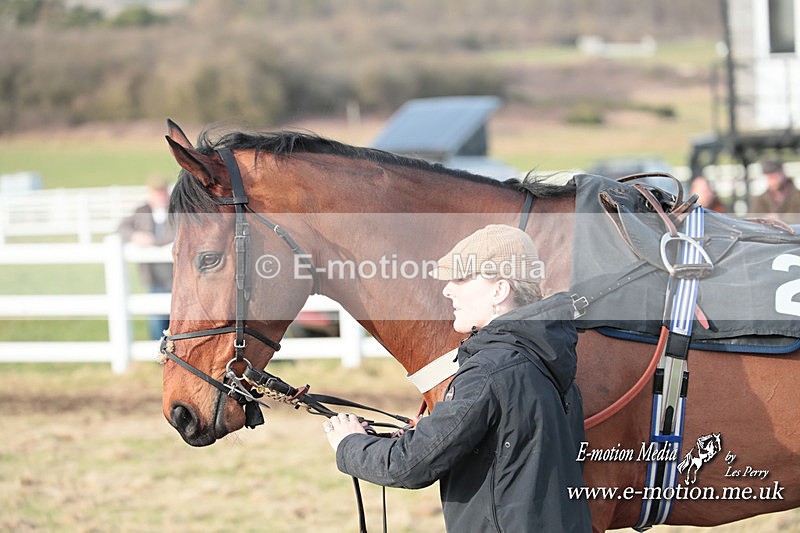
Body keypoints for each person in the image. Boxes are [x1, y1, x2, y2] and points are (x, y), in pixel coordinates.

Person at [322, 224, 591, 532]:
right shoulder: (550, 361)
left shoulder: (490, 370)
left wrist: (349, 443)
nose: (447, 289)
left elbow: (408, 465)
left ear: (499, 291)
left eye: (461, 278)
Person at [118, 176, 175, 340]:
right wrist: (135, 235)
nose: (160, 197)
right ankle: (158, 351)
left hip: (176, 274)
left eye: (162, 193)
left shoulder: (177, 208)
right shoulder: (142, 210)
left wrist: (152, 241)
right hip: (152, 274)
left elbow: (177, 233)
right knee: (156, 316)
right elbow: (121, 228)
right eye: (156, 193)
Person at [749, 158, 800, 224]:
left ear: (783, 172)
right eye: (768, 175)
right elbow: (751, 222)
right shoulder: (760, 200)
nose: (771, 179)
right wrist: (764, 220)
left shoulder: (798, 197)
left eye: (774, 174)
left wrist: (780, 220)